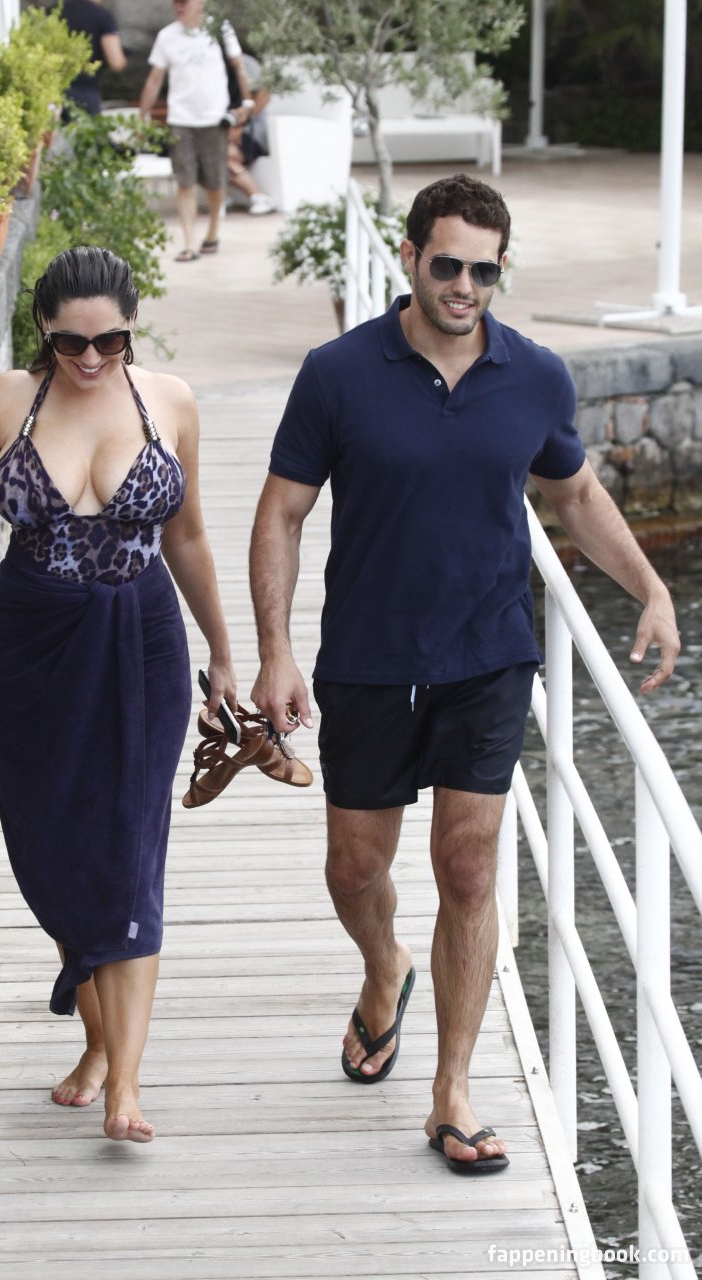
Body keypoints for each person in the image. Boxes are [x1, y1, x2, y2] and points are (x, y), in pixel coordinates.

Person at [248, 173, 680, 1174]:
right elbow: (281, 512)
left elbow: (575, 493)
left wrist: (650, 588)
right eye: (447, 264)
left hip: (488, 654)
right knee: (355, 867)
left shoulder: (534, 375)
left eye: (484, 271)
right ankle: (382, 967)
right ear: (408, 257)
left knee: (470, 868)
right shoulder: (337, 373)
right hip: (366, 657)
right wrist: (274, 647)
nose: (464, 287)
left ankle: (451, 1091)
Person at [0, 245, 236, 1144]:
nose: (90, 359)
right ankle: (96, 1044)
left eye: (109, 341)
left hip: (142, 639)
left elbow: (188, 539)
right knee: (55, 849)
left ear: (131, 326)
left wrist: (227, 654)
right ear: (43, 328)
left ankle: (126, 1083)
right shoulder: (9, 399)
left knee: (129, 846)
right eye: (72, 342)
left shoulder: (170, 401)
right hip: (32, 645)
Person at [138, 0, 253, 260]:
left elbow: (239, 65)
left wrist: (247, 102)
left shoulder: (220, 29)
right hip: (180, 119)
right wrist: (142, 115)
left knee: (215, 182)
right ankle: (189, 243)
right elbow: (155, 78)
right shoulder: (167, 36)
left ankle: (212, 231)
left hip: (215, 119)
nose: (178, 6)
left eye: (184, 1)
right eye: (175, 2)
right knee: (185, 182)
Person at [226, 55, 275, 216]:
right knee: (200, 153)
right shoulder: (207, 64)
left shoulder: (247, 64)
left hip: (253, 130)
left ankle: (259, 196)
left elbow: (264, 96)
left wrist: (240, 126)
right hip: (224, 131)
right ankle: (220, 196)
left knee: (224, 155)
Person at [61, 0, 127, 116]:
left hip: (55, 92)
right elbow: (116, 62)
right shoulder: (102, 16)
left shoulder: (54, 11)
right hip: (86, 92)